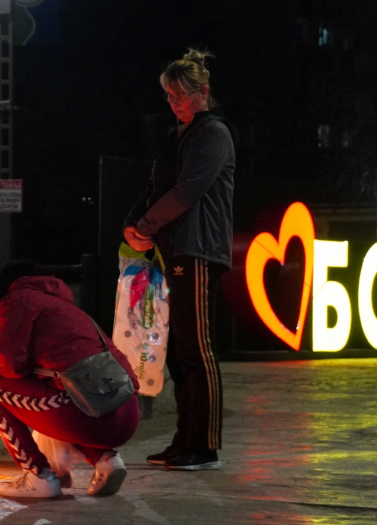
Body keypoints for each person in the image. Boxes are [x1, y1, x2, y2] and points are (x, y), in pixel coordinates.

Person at [123, 48, 236, 471]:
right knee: (179, 350)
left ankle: (203, 446)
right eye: (169, 97)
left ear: (202, 93)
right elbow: (159, 187)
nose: (174, 104)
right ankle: (186, 441)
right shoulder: (182, 136)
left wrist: (145, 226)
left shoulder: (213, 134)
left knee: (197, 349)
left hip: (198, 249)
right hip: (175, 249)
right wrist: (132, 224)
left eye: (180, 96)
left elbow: (187, 191)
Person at [0, 261, 141, 498]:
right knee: (56, 396)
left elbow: (9, 365)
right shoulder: (66, 308)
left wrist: (27, 373)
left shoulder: (18, 299)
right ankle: (106, 460)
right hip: (128, 413)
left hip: (93, 419)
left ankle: (39, 476)